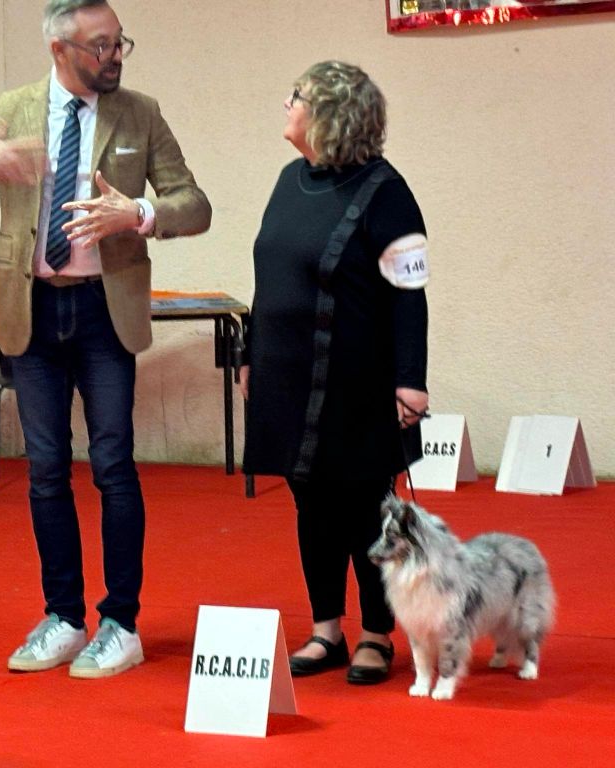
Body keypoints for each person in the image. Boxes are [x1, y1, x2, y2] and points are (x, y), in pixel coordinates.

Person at [0, 0, 210, 678]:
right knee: (46, 470)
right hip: (32, 309)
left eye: (120, 43)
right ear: (60, 49)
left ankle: (122, 623)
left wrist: (137, 213)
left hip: (107, 311)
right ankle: (64, 617)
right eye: (100, 46)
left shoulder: (139, 112)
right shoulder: (9, 111)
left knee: (113, 465)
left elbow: (194, 205)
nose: (115, 57)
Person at [240, 61, 430, 685]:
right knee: (310, 502)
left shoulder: (386, 191)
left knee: (365, 508)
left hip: (356, 379)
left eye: (296, 96)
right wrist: (251, 354)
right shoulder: (288, 180)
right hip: (287, 372)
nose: (285, 103)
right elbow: (269, 276)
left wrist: (411, 378)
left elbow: (410, 295)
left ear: (328, 114)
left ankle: (377, 632)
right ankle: (327, 628)